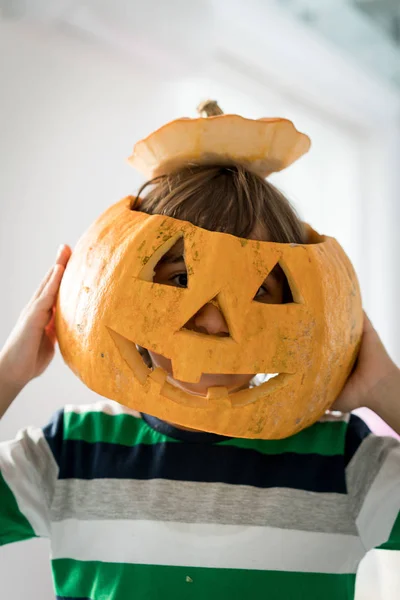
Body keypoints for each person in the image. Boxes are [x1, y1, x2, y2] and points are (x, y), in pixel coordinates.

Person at [0, 164, 399, 600]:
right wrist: (9, 372)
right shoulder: (74, 450)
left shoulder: (344, 460)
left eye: (258, 291)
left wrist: (384, 389)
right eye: (180, 279)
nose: (212, 321)